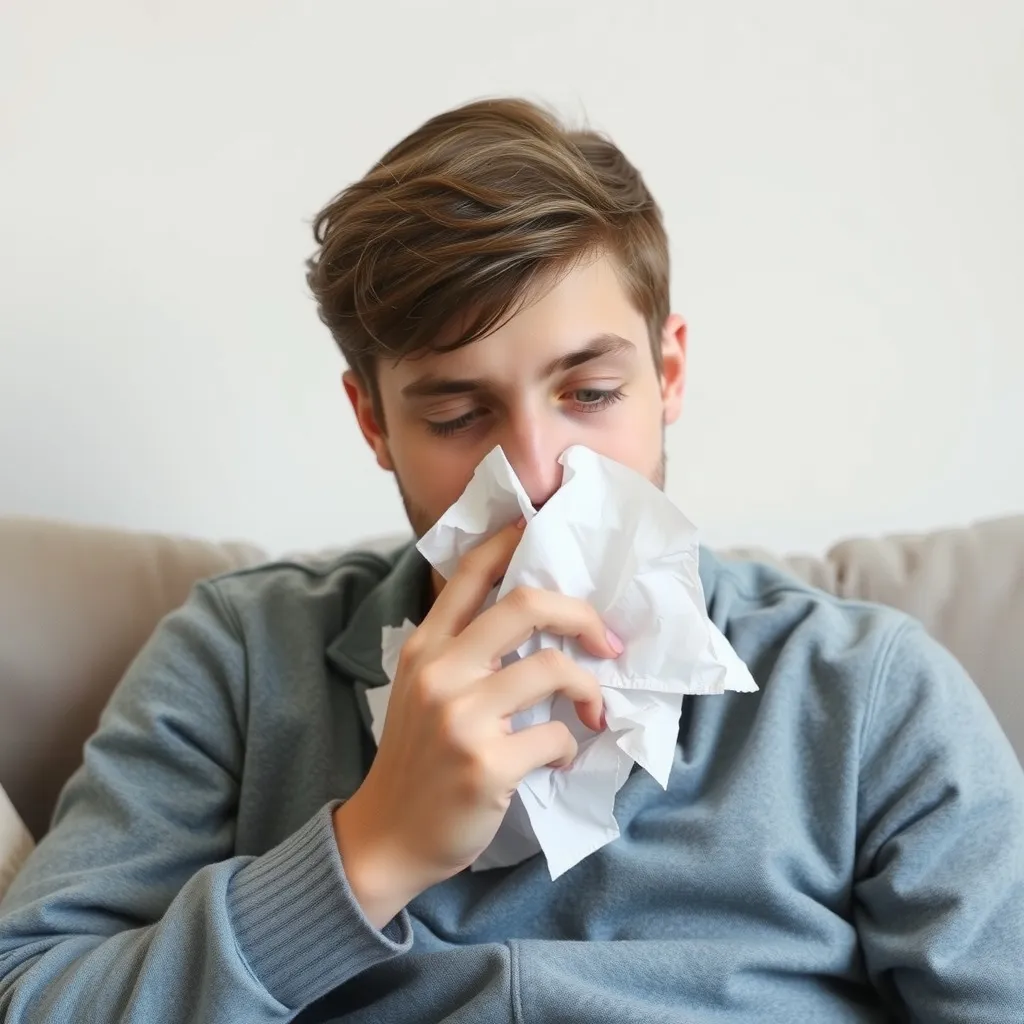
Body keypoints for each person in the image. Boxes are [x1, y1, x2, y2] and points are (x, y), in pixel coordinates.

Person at [1, 97, 1022, 1024]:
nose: (536, 474)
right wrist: (366, 854)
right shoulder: (239, 658)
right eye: (457, 413)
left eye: (588, 394)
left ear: (666, 374)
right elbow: (34, 995)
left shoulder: (864, 693)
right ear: (373, 422)